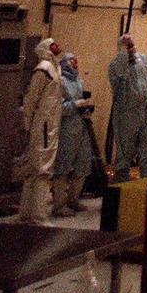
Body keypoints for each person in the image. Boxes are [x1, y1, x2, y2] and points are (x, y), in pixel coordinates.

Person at [18, 37, 62, 224]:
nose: (57, 46)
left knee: (34, 170)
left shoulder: (54, 69)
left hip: (49, 124)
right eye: (53, 44)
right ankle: (38, 216)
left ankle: (27, 213)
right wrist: (27, 124)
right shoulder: (43, 70)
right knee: (42, 170)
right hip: (43, 125)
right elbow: (31, 99)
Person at [108, 33, 147, 182]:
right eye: (127, 46)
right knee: (125, 150)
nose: (130, 48)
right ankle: (121, 184)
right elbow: (118, 79)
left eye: (131, 45)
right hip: (126, 113)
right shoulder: (116, 66)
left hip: (146, 111)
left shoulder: (143, 61)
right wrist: (124, 57)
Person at [52, 53, 94, 215]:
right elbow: (57, 107)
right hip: (67, 128)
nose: (75, 62)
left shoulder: (78, 81)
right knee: (63, 165)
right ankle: (59, 205)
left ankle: (73, 199)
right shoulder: (60, 82)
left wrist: (86, 109)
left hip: (81, 127)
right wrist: (74, 105)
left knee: (83, 164)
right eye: (71, 60)